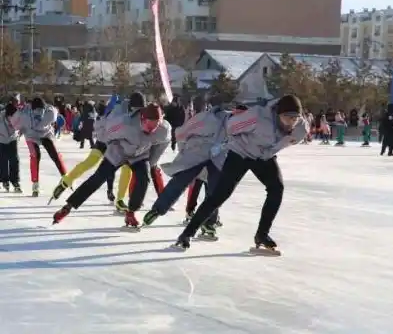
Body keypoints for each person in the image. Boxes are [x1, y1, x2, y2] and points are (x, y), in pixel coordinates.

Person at [173, 95, 308, 250]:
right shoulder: (257, 117)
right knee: (219, 195)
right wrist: (241, 143)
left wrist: (267, 152)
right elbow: (231, 126)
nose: (291, 122)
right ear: (278, 114)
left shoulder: (301, 129)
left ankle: (262, 235)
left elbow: (285, 141)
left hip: (263, 156)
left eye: (295, 118)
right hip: (240, 153)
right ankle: (187, 234)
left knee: (277, 188)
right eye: (287, 117)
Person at [52, 103, 170, 227]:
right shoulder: (125, 123)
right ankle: (67, 207)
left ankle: (131, 213)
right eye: (148, 125)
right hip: (118, 151)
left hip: (140, 155)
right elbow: (108, 133)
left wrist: (151, 161)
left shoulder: (164, 130)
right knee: (98, 178)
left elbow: (163, 143)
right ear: (142, 118)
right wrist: (111, 148)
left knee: (144, 179)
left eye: (155, 126)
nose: (151, 129)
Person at [141, 96, 229, 234]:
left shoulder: (201, 118)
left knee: (180, 182)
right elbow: (234, 138)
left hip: (196, 154)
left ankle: (158, 209)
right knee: (213, 190)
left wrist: (185, 148)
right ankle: (209, 222)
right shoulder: (228, 119)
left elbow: (181, 133)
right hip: (214, 156)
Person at [10, 96, 66, 196]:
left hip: (46, 134)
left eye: (41, 110)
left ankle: (65, 175)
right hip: (31, 135)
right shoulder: (24, 113)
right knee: (35, 155)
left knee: (54, 154)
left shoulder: (50, 111)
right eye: (37, 111)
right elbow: (14, 123)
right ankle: (35, 183)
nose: (39, 112)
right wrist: (20, 128)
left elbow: (57, 119)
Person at [0, 103, 21, 192]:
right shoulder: (1, 117)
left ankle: (15, 180)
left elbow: (22, 126)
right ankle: (4, 180)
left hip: (12, 139)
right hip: (1, 140)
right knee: (3, 160)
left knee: (14, 160)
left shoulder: (17, 116)